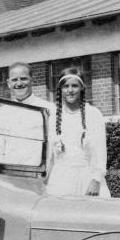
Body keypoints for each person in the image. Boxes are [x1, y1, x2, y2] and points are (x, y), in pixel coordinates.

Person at [45, 67, 110, 197]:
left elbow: (101, 152)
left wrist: (96, 180)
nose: (70, 90)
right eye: (65, 86)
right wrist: (46, 180)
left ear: (82, 88)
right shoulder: (53, 117)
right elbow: (51, 157)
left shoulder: (93, 114)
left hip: (87, 178)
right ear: (60, 90)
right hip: (60, 181)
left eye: (74, 86)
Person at [0, 62, 55, 166]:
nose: (19, 83)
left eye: (23, 78)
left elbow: (53, 145)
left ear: (32, 80)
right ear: (8, 83)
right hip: (11, 175)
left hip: (39, 174)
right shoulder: (3, 112)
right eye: (14, 80)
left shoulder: (48, 109)